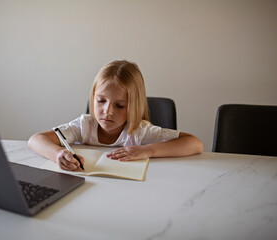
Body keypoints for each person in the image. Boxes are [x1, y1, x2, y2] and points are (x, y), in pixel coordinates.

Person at [28, 60, 203, 171]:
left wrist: (147, 150)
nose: (108, 111)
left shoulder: (139, 132)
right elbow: (35, 140)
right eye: (101, 101)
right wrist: (58, 154)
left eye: (120, 105)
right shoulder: (84, 126)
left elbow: (195, 144)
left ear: (134, 107)